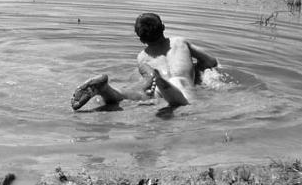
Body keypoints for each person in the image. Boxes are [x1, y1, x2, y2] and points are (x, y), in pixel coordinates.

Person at [71, 13, 218, 111]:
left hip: (157, 86)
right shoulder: (180, 42)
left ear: (141, 40)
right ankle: (164, 85)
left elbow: (147, 82)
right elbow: (211, 61)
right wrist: (198, 70)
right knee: (185, 102)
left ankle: (107, 90)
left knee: (134, 95)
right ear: (164, 27)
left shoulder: (142, 57)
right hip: (180, 83)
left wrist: (151, 83)